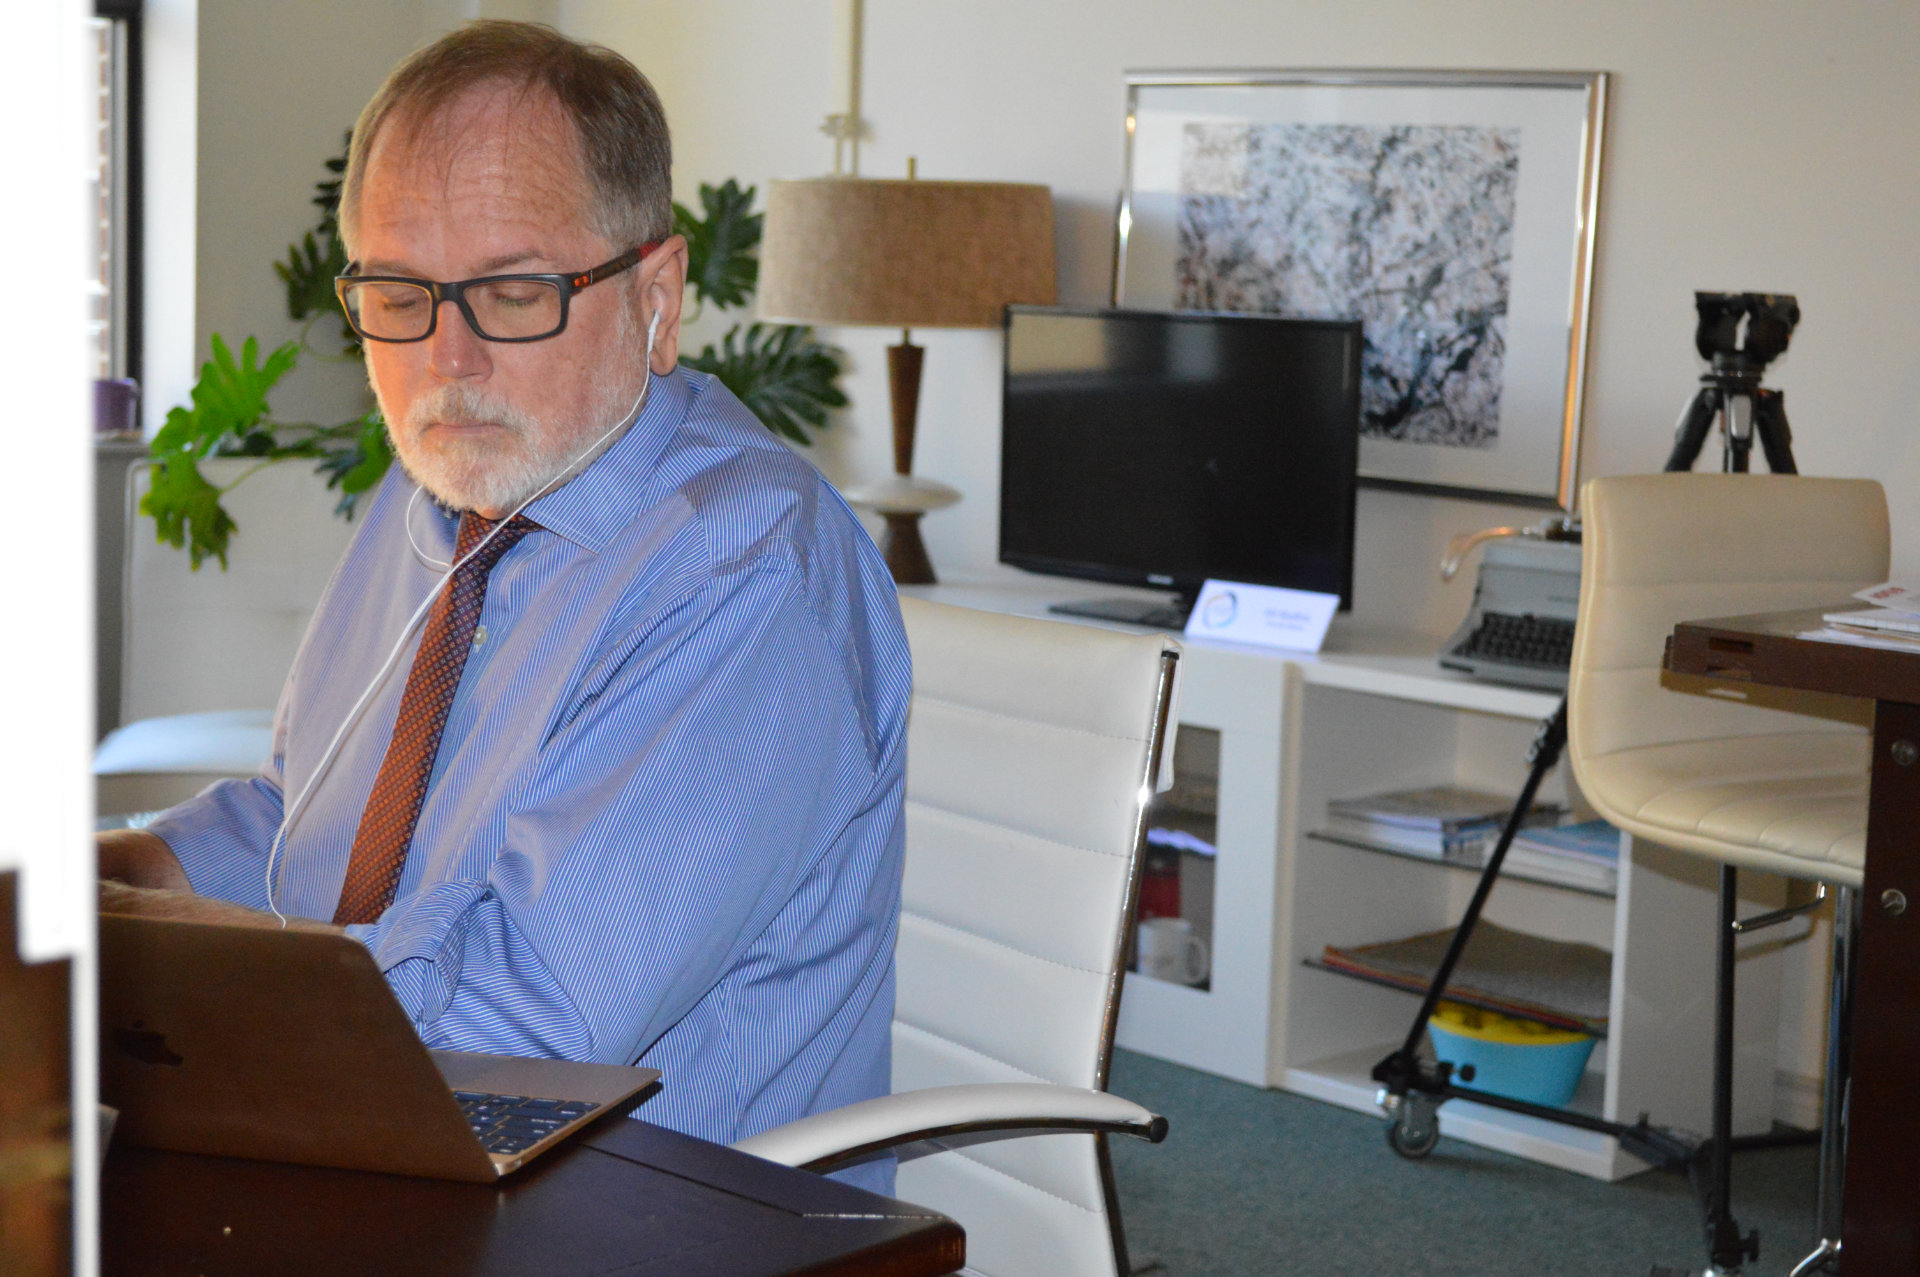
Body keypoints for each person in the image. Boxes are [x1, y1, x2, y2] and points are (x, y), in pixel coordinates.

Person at [96, 20, 909, 1191]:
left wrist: (143, 960)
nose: (447, 359)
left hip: (635, 1207)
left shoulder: (748, 566)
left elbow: (517, 1044)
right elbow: (303, 822)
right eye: (397, 291)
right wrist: (111, 876)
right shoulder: (441, 485)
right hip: (392, 1152)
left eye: (515, 290)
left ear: (658, 296)